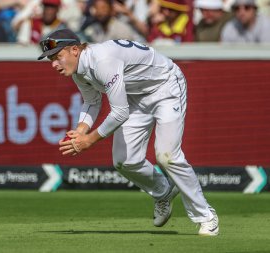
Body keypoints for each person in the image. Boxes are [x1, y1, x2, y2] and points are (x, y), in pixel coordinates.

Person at [37, 28, 219, 236]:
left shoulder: (102, 60)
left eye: (57, 56)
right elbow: (92, 101)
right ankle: (163, 191)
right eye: (51, 59)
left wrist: (88, 140)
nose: (53, 64)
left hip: (166, 88)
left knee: (167, 156)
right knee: (124, 161)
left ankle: (206, 216)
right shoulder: (78, 69)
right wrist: (80, 130)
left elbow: (120, 112)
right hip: (135, 98)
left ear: (75, 50)